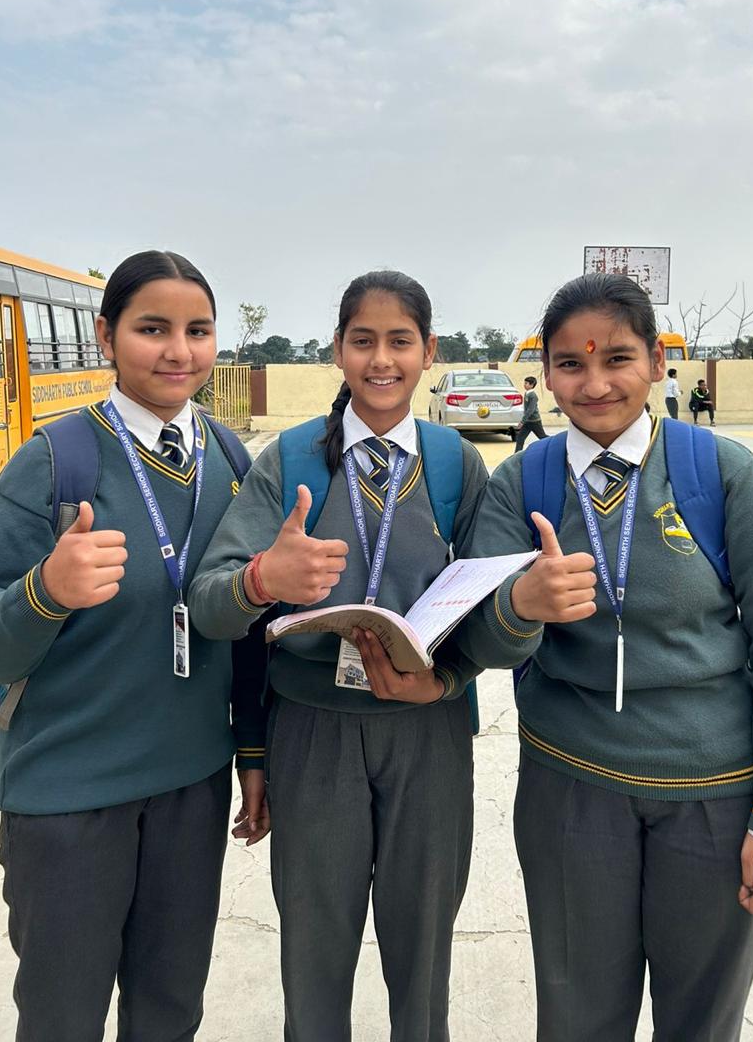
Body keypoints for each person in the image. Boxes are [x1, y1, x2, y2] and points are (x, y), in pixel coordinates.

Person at [458, 272, 753, 1042]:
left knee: (701, 1018)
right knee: (579, 1016)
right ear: (545, 373)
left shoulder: (720, 474)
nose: (593, 384)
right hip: (571, 793)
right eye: (569, 363)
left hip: (714, 800)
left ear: (657, 362)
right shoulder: (524, 482)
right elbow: (478, 643)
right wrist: (522, 606)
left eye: (616, 358)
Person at [0, 251, 266, 1042]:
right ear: (106, 337)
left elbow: (248, 636)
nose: (177, 351)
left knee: (169, 1011)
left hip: (193, 789)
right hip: (67, 799)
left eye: (197, 330)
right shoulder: (56, 462)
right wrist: (45, 591)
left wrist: (252, 755)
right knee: (63, 1015)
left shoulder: (230, 462)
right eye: (151, 328)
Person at [188, 270, 488, 1042]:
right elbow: (212, 601)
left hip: (429, 733)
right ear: (337, 351)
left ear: (429, 352)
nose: (380, 360)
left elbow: (497, 611)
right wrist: (265, 579)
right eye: (363, 341)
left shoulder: (456, 466)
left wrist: (447, 674)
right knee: (315, 952)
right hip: (314, 730)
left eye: (399, 342)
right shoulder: (287, 462)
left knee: (422, 950)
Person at [515, 374, 547, 449]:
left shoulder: (533, 395)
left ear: (532, 385)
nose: (524, 385)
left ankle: (556, 445)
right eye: (524, 383)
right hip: (528, 422)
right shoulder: (527, 393)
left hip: (535, 421)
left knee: (543, 437)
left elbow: (531, 410)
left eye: (526, 383)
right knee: (520, 438)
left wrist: (522, 421)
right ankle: (516, 456)